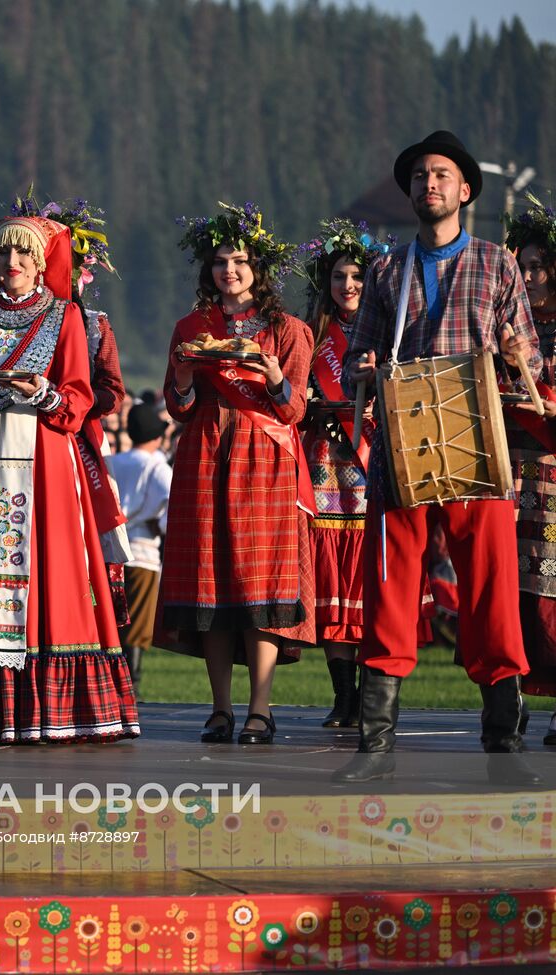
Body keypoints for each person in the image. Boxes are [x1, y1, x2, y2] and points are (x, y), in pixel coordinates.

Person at [338, 130, 541, 783]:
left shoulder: (496, 265)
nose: (430, 184)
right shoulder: (386, 271)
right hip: (404, 438)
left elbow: (531, 364)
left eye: (442, 175)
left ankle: (502, 736)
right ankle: (375, 742)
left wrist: (517, 360)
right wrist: (362, 368)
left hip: (477, 439)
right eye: (421, 175)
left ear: (464, 190)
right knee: (393, 584)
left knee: (489, 585)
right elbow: (353, 364)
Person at [0, 213, 139, 743]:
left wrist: (43, 393)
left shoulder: (65, 317)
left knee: (49, 571)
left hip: (44, 456)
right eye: (2, 255)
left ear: (41, 263)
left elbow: (81, 395)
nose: (10, 263)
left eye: (22, 255)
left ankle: (50, 709)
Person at [158, 203, 315, 746]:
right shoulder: (190, 328)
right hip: (204, 453)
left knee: (258, 584)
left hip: (264, 460)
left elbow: (293, 414)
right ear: (208, 270)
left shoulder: (289, 331)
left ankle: (261, 709)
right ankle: (220, 708)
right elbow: (178, 408)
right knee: (211, 584)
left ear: (259, 268)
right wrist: (181, 377)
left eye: (241, 260)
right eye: (221, 261)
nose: (230, 270)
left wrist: (273, 378)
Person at [295, 219, 392, 728]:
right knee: (332, 575)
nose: (348, 286)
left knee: (369, 577)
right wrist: (318, 406)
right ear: (325, 281)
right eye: (338, 276)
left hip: (375, 460)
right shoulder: (310, 334)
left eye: (357, 276)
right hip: (326, 465)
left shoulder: (390, 332)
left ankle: (373, 695)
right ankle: (343, 696)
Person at [498, 193, 556, 746]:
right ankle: (507, 701)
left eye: (539, 266)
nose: (530, 275)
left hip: (551, 474)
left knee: (549, 594)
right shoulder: (503, 325)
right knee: (505, 592)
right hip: (503, 466)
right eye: (522, 266)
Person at [106, 400, 173, 696]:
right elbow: (170, 511)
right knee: (137, 625)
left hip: (110, 551)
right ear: (157, 436)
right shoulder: (158, 467)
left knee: (113, 620)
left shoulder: (114, 462)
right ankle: (130, 684)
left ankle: (111, 680)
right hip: (143, 552)